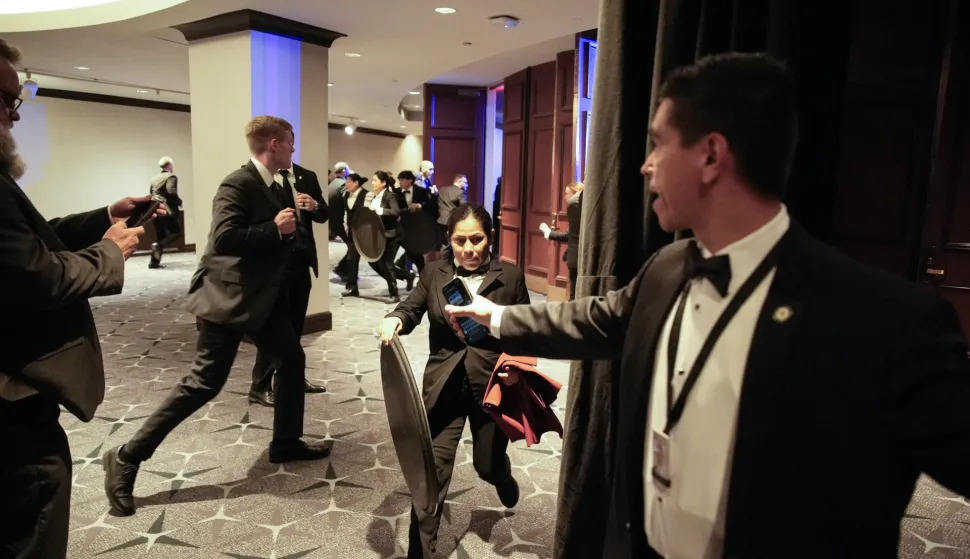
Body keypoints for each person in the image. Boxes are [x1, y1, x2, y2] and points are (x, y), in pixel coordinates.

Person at [445, 53, 970, 558]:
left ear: (712, 155)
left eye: (657, 144)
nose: (646, 166)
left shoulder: (887, 324)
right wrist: (499, 317)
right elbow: (600, 318)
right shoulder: (667, 267)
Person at [103, 116, 329, 518]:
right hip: (228, 296)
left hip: (263, 296)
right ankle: (125, 456)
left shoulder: (277, 183)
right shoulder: (238, 183)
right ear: (274, 144)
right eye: (291, 143)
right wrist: (274, 229)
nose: (294, 150)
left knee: (292, 359)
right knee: (204, 383)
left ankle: (285, 441)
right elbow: (224, 237)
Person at [0, 38, 157, 559]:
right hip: (10, 401)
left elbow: (29, 238)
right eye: (6, 101)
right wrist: (109, 252)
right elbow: (37, 276)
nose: (13, 117)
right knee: (33, 520)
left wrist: (101, 217)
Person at [379, 203, 529, 559]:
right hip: (445, 386)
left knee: (486, 464)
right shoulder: (434, 273)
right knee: (429, 477)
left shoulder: (510, 277)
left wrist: (516, 369)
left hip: (492, 387)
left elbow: (525, 331)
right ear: (450, 240)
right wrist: (394, 319)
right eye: (460, 240)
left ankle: (502, 476)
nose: (469, 248)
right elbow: (411, 307)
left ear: (489, 238)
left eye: (477, 239)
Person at [248, 161, 329, 407]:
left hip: (300, 260)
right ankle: (259, 386)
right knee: (275, 328)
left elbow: (324, 214)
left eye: (293, 142)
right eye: (287, 143)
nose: (292, 148)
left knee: (295, 325)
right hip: (274, 263)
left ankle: (293, 377)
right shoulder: (258, 177)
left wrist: (315, 206)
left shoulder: (306, 175)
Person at [540, 181, 583, 299]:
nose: (565, 197)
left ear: (575, 193)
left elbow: (571, 236)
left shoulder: (575, 208)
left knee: (574, 295)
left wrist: (549, 233)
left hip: (577, 257)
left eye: (567, 193)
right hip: (580, 257)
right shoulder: (581, 209)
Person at [394, 169, 434, 274]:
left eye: (402, 180)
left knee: (414, 251)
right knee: (410, 250)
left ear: (410, 180)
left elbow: (430, 205)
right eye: (399, 180)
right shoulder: (396, 193)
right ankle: (409, 271)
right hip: (401, 226)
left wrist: (419, 205)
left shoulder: (421, 191)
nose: (400, 182)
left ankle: (414, 273)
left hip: (417, 226)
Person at [148, 156, 184, 269]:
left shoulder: (154, 178)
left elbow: (150, 193)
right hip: (166, 209)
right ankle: (158, 245)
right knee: (176, 232)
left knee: (160, 235)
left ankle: (154, 263)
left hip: (154, 209)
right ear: (169, 166)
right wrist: (179, 202)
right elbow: (171, 191)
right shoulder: (171, 176)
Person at [338, 173, 367, 297]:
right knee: (351, 259)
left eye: (348, 181)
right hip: (351, 232)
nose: (346, 184)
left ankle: (404, 276)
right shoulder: (346, 195)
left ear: (356, 183)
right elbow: (346, 212)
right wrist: (346, 225)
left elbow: (370, 214)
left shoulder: (366, 195)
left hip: (364, 232)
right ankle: (352, 287)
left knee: (379, 263)